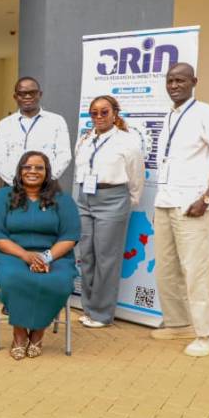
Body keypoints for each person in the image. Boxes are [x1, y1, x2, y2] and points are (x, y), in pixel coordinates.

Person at [151, 63, 209, 357]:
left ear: (194, 81)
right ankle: (179, 323)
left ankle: (207, 335)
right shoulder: (170, 115)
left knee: (195, 271)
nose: (174, 85)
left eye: (180, 80)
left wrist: (207, 198)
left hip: (193, 206)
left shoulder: (205, 113)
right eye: (170, 80)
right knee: (166, 269)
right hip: (166, 202)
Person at [0, 151, 80, 360]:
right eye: (27, 167)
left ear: (47, 173)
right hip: (12, 254)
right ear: (20, 171)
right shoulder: (3, 196)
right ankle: (19, 334)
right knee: (13, 279)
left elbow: (70, 236)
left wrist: (45, 257)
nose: (33, 171)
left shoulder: (61, 199)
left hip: (54, 256)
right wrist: (26, 256)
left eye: (39, 167)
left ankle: (37, 333)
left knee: (59, 280)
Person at [75, 95, 145, 329]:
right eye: (94, 113)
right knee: (86, 255)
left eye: (104, 112)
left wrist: (129, 201)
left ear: (115, 113)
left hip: (113, 199)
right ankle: (88, 308)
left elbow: (136, 176)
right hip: (85, 198)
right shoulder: (85, 139)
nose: (98, 117)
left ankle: (102, 314)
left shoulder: (127, 141)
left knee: (106, 259)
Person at [0, 77, 72, 185]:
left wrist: (45, 179)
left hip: (47, 186)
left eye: (32, 93)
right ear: (15, 97)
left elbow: (64, 155)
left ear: (40, 94)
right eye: (22, 93)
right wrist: (16, 181)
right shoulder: (5, 124)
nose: (28, 96)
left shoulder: (57, 121)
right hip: (13, 185)